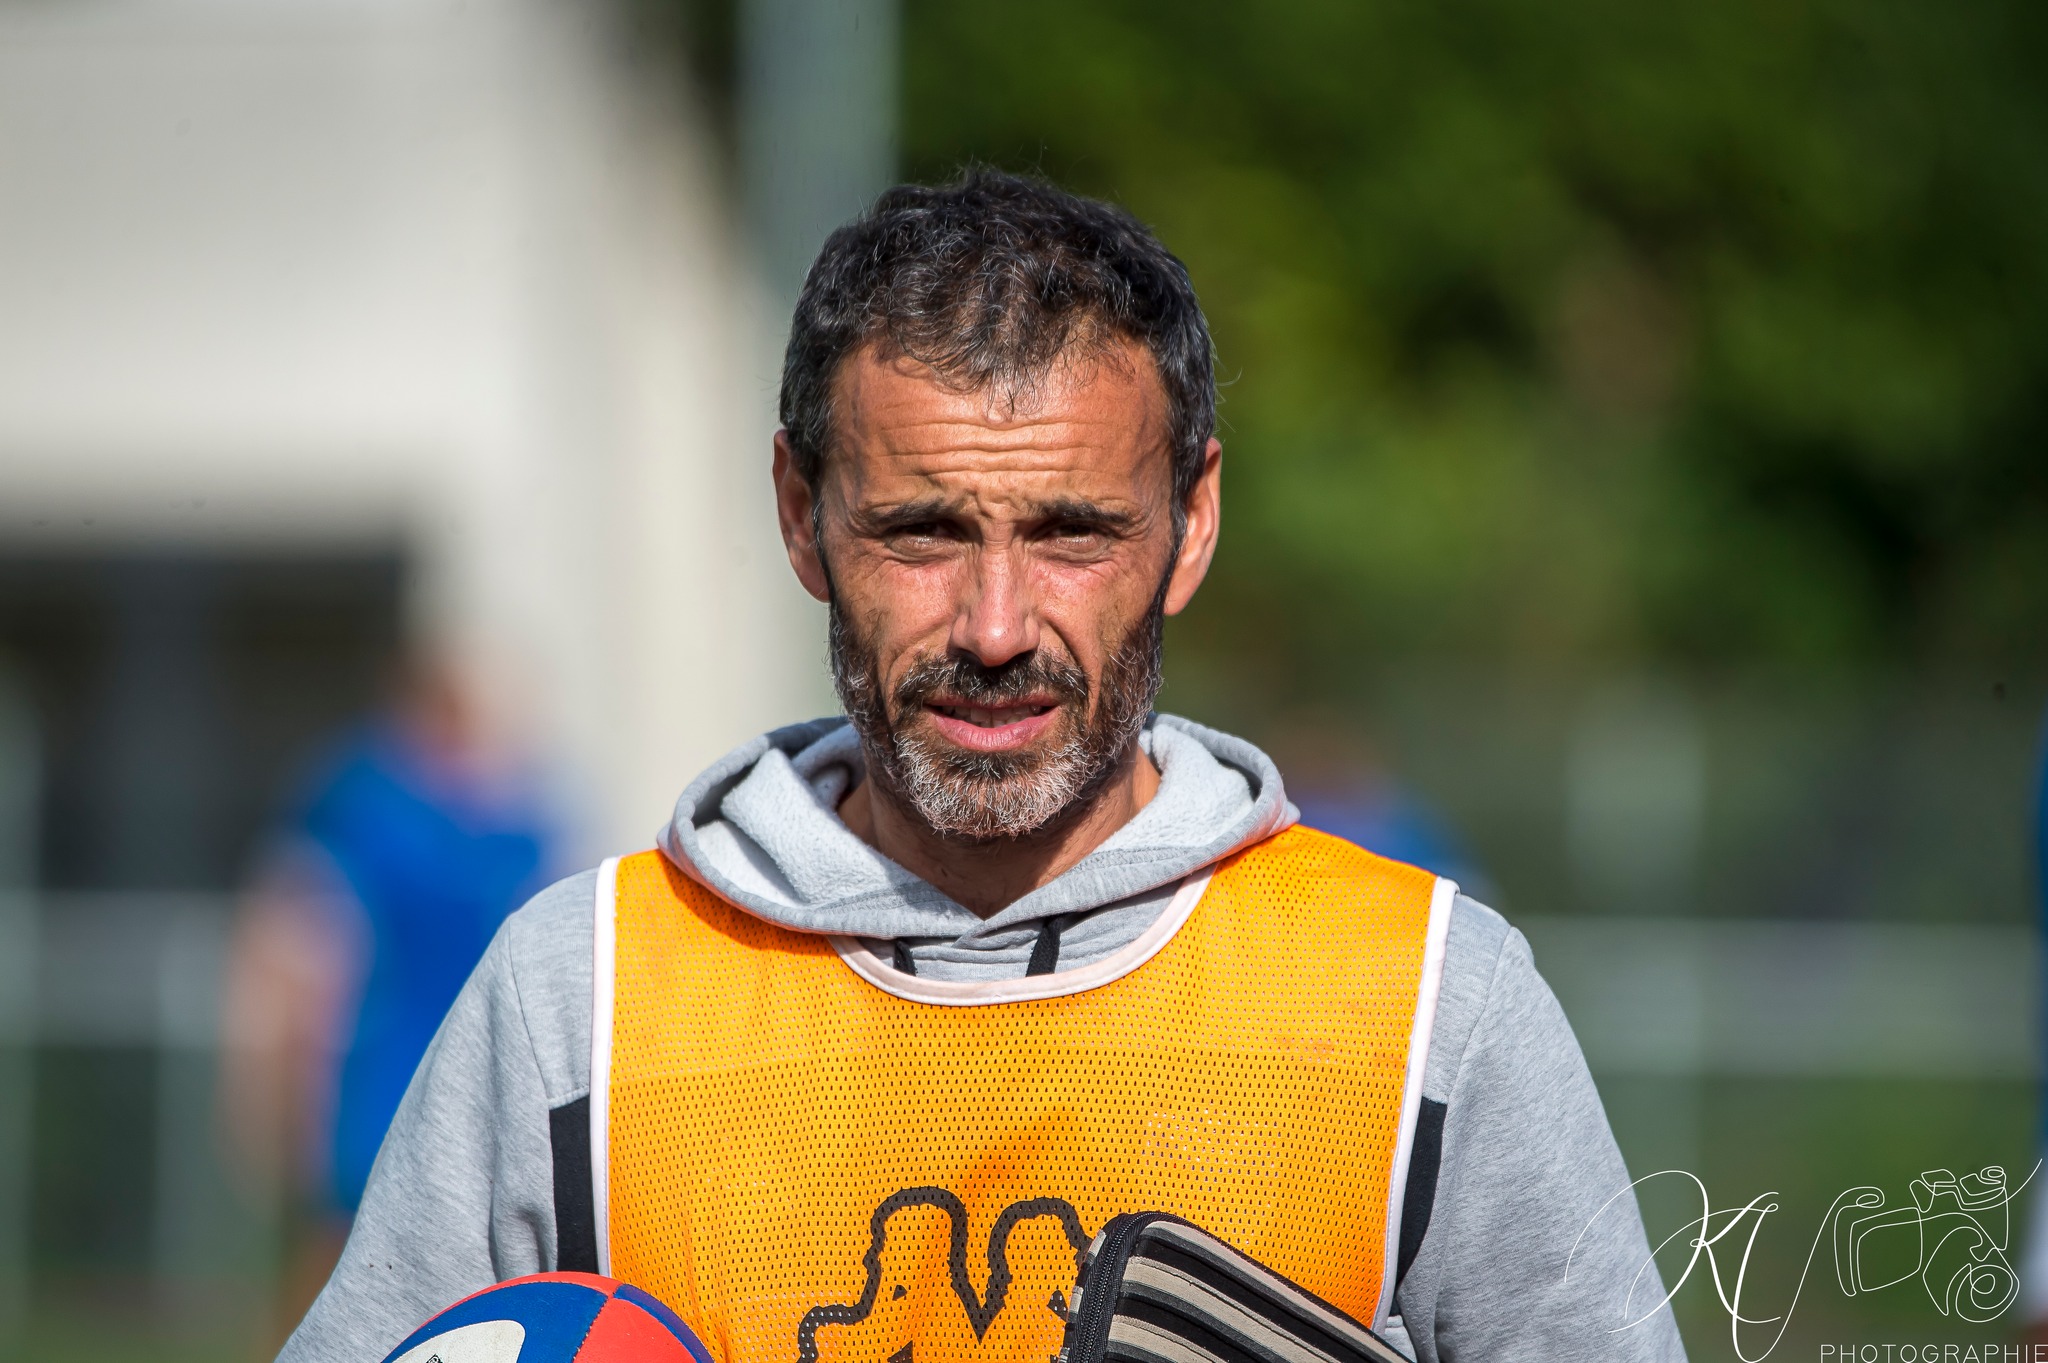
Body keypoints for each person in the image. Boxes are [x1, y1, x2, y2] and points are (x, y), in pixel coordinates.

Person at [278, 171, 1685, 1363]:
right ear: (801, 513)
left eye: (1072, 531)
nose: (998, 627)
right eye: (924, 532)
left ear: (1191, 521)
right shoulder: (574, 1002)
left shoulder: (1435, 1006)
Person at [221, 657, 558, 1330]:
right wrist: (266, 1086)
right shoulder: (370, 806)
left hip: (463, 1072)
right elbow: (290, 951)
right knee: (343, 1287)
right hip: (381, 1079)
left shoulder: (513, 813)